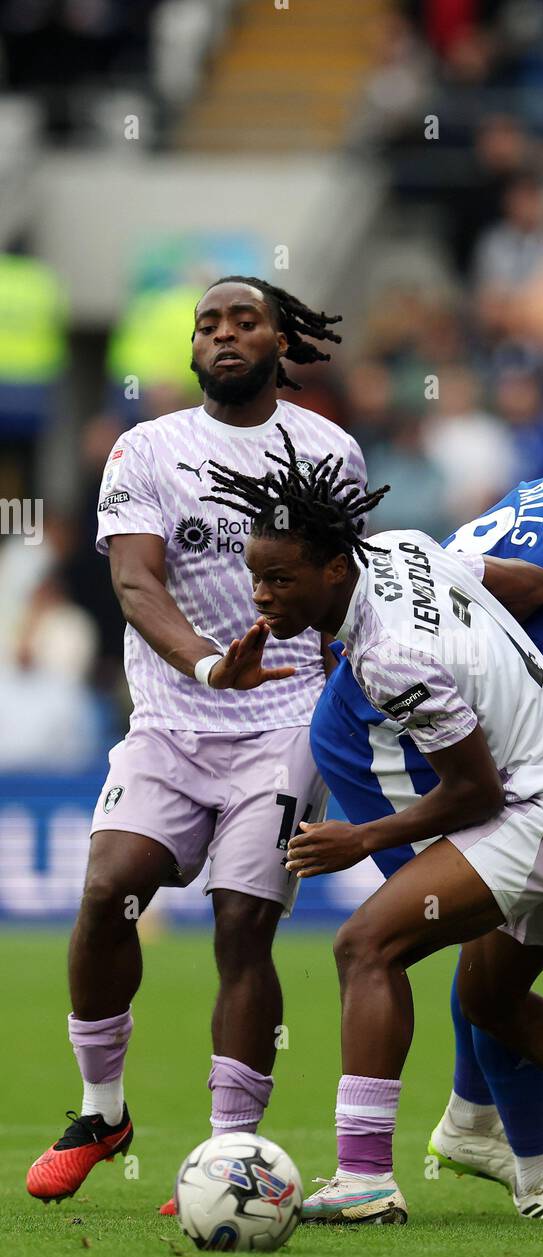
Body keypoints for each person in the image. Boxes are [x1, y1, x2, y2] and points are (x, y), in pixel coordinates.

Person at [208, 421, 543, 1228]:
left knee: (366, 945)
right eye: (256, 578)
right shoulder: (404, 546)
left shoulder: (389, 656)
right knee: (492, 996)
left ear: (331, 568)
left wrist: (361, 839)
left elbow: (478, 793)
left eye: (278, 579)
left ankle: (368, 1178)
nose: (261, 596)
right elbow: (524, 583)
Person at [26, 276, 367, 1205]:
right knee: (106, 890)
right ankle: (104, 1110)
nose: (223, 334)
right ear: (191, 348)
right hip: (175, 718)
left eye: (244, 320)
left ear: (279, 340)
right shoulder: (147, 449)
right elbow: (136, 589)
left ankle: (228, 1158)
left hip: (289, 721)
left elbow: (347, 589)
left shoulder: (327, 451)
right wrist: (215, 665)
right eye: (207, 323)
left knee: (240, 919)